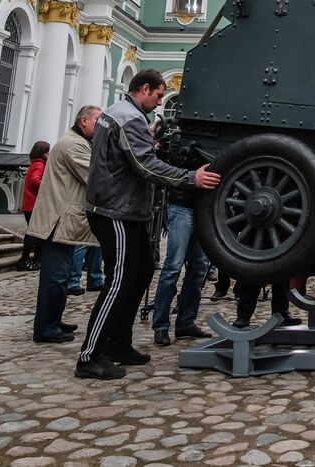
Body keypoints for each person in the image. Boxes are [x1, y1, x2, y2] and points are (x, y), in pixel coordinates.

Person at [76, 70, 219, 380]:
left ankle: (118, 343)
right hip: (116, 211)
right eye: (157, 95)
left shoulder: (120, 114)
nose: (159, 102)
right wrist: (191, 178)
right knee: (118, 281)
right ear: (144, 88)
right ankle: (89, 355)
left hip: (125, 209)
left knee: (141, 272)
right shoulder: (129, 117)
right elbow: (145, 166)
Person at [27, 106, 101, 343]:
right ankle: (46, 328)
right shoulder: (73, 145)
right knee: (55, 277)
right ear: (83, 121)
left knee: (60, 276)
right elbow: (94, 176)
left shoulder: (77, 143)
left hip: (62, 221)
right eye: (97, 121)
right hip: (57, 221)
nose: (100, 126)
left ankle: (53, 320)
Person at [150, 174, 212, 347]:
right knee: (173, 267)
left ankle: (186, 322)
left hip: (204, 207)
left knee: (199, 269)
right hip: (182, 205)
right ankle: (161, 326)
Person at [16, 140, 50, 270]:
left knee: (36, 233)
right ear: (43, 152)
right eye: (47, 151)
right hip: (34, 205)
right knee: (33, 233)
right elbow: (35, 181)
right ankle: (25, 260)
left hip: (31, 204)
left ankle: (35, 259)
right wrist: (48, 187)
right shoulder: (39, 165)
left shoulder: (35, 164)